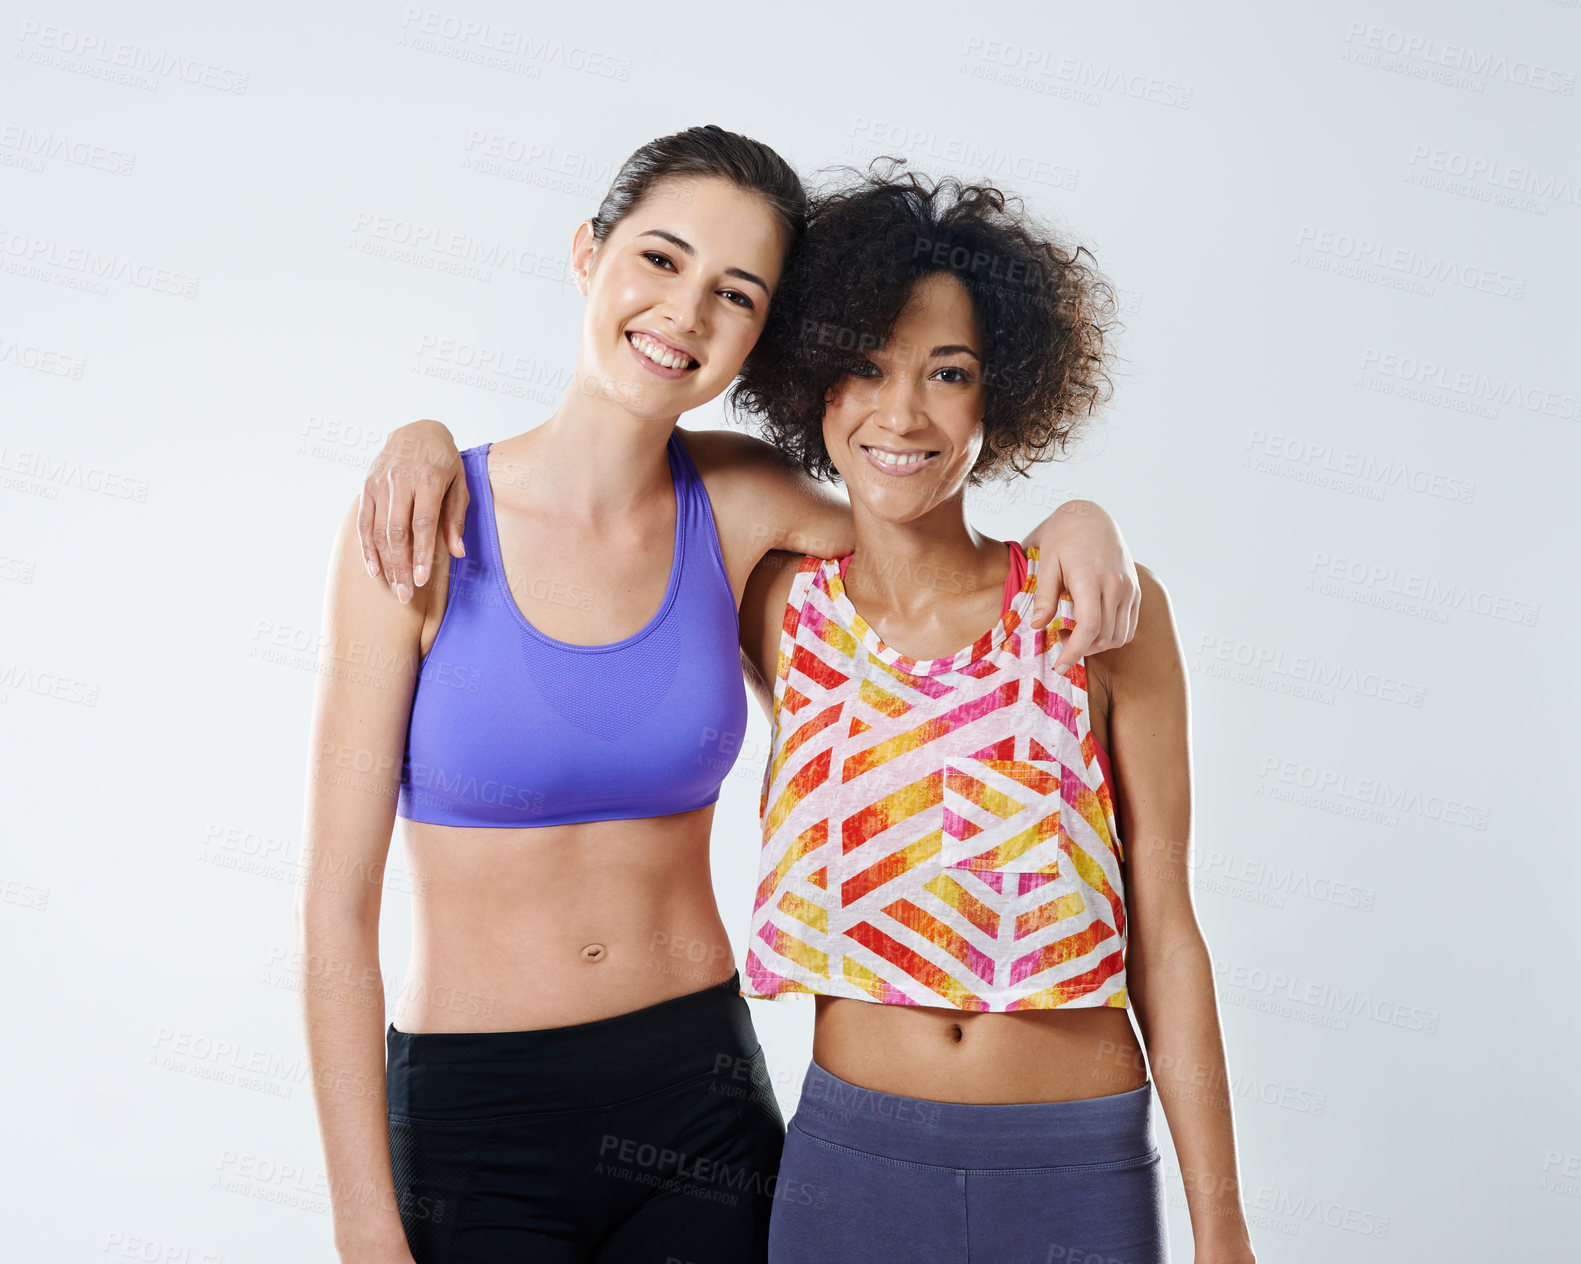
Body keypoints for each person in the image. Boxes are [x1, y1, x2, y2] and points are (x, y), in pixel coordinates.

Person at [300, 126, 1141, 1264]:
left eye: (735, 294)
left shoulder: (740, 503)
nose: (686, 314)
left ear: (765, 336)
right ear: (588, 253)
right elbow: (334, 913)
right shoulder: (418, 527)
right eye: (660, 259)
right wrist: (362, 1223)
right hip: (472, 1117)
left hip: (698, 1101)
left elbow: (937, 547)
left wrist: (1077, 524)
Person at [731, 168, 1256, 1263]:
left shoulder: (1102, 610)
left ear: (1001, 395)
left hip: (1073, 1170)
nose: (902, 412)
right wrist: (424, 443)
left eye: (950, 373)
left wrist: (1224, 1229)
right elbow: (621, 484)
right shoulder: (776, 608)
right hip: (851, 1170)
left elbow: (1166, 926)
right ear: (811, 379)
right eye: (866, 367)